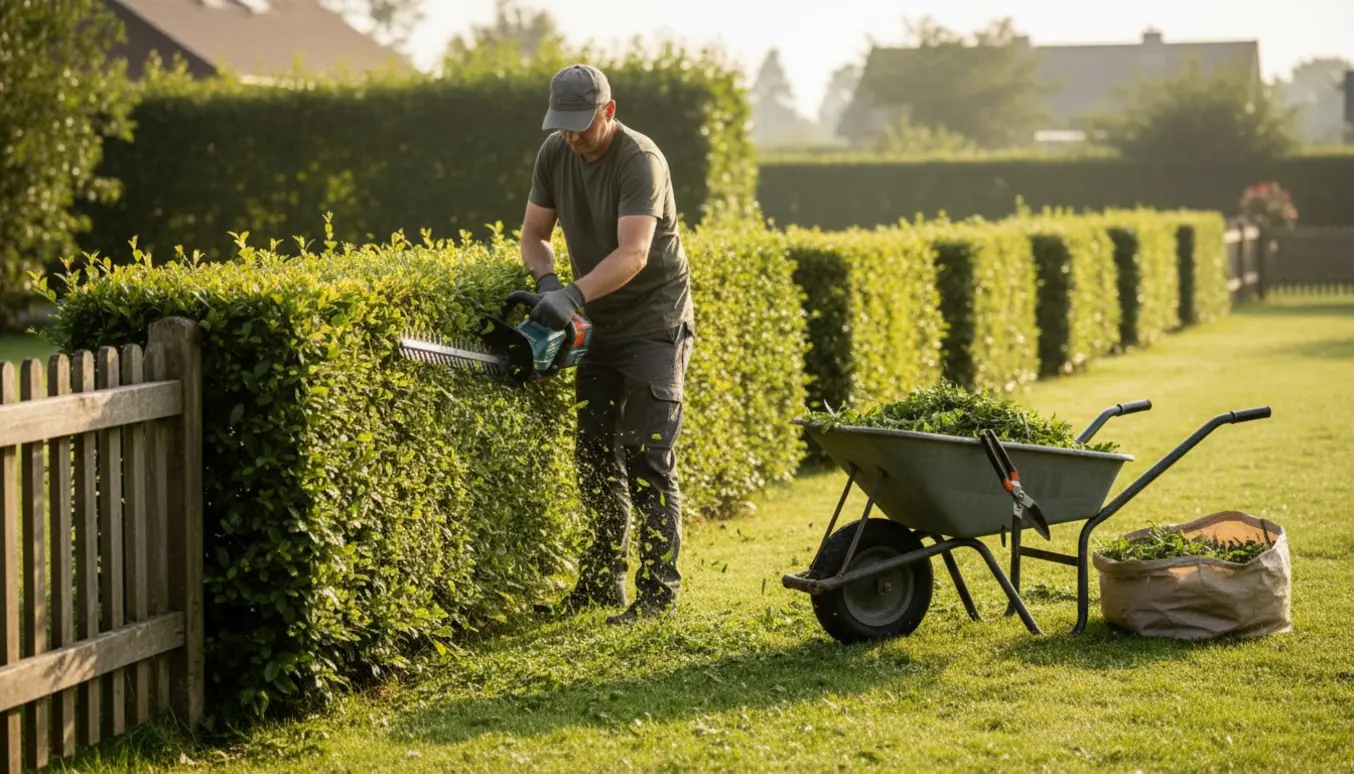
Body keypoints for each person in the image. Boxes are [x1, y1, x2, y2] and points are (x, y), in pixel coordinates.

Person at [519, 63, 696, 625]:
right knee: (594, 454)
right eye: (562, 124)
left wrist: (571, 294)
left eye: (581, 125)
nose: (571, 136)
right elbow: (534, 234)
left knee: (648, 455)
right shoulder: (555, 153)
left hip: (654, 325)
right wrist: (547, 283)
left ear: (608, 112)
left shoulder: (640, 160)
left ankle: (658, 595)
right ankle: (601, 584)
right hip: (596, 325)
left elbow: (633, 254)